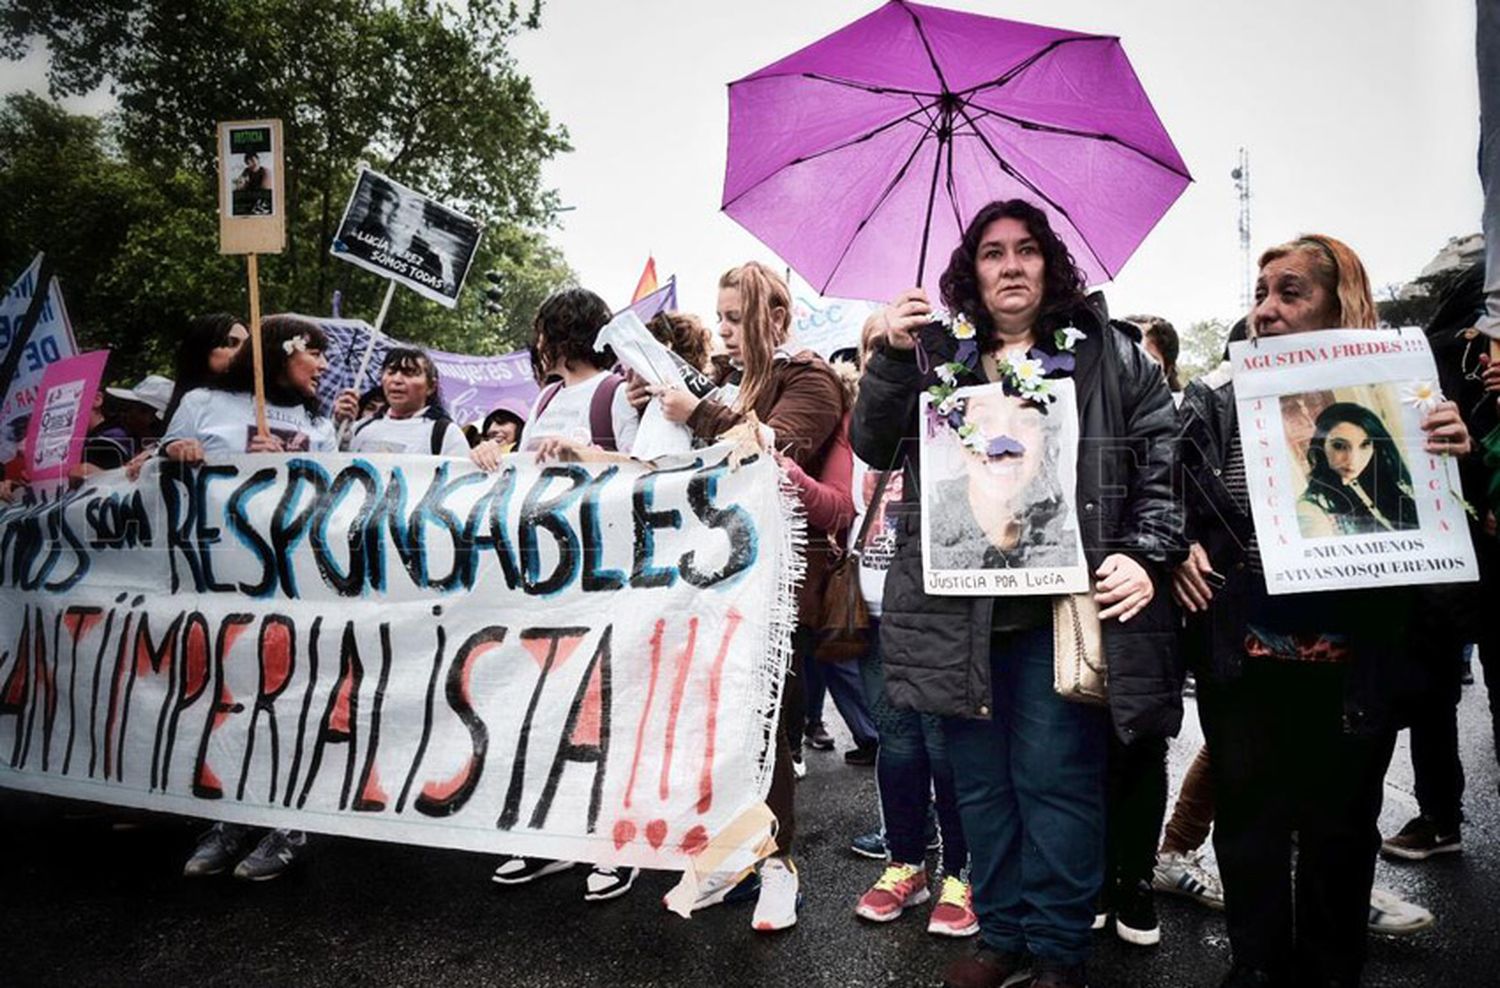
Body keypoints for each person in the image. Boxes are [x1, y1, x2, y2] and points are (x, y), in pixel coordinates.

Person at [853, 199, 1182, 988]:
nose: (1010, 265)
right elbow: (871, 442)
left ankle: (1060, 950)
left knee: (1056, 782)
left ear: (1050, 264)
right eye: (992, 252)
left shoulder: (1111, 355)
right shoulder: (937, 354)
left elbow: (1161, 459)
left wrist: (1146, 553)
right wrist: (896, 357)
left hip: (1058, 616)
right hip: (957, 616)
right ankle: (1001, 938)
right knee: (981, 789)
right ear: (972, 272)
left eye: (1026, 250)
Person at [1174, 234, 1471, 988]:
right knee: (1249, 833)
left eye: (1290, 292)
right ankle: (1255, 967)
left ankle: (1332, 971)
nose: (1266, 310)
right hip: (1244, 657)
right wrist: (1178, 546)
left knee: (1341, 833)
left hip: (1354, 664)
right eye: (1260, 292)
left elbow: (1444, 530)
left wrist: (1449, 453)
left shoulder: (1404, 400)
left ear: (1341, 303)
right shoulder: (1216, 398)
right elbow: (1167, 498)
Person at [644, 261, 846, 932]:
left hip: (777, 584)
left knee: (767, 729)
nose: (724, 332)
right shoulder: (739, 381)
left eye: (735, 319)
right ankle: (738, 857)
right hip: (722, 575)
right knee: (725, 728)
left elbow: (774, 453)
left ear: (776, 320)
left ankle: (782, 868)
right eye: (721, 318)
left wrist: (695, 412)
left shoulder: (809, 378)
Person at [166, 314, 337, 881]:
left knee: (286, 699)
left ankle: (288, 823)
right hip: (219, 580)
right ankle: (232, 818)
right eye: (313, 352)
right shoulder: (202, 403)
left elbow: (334, 493)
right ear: (280, 353)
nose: (322, 364)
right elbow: (153, 472)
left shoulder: (318, 420)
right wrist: (179, 452)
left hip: (294, 582)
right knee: (228, 698)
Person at [489, 287, 641, 902]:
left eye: (541, 329)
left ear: (560, 332)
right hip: (545, 579)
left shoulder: (614, 394)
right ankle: (550, 834)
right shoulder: (548, 396)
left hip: (604, 574)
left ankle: (615, 843)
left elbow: (646, 469)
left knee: (606, 710)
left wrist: (586, 454)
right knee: (547, 707)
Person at [839, 315, 976, 938]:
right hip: (874, 605)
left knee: (946, 749)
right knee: (896, 745)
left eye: (894, 348)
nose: (878, 360)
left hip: (933, 603)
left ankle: (962, 873)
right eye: (872, 349)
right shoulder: (867, 427)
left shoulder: (945, 408)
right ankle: (906, 863)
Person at [1294, 402, 1418, 537]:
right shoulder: (1311, 511)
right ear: (1321, 447)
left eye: (1365, 445)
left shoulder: (1395, 482)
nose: (1353, 460)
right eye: (1339, 446)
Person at [334, 347, 470, 458]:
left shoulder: (446, 434)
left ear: (431, 386)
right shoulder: (360, 428)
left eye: (409, 373)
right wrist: (339, 425)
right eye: (391, 372)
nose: (397, 380)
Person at [162, 313, 250, 426]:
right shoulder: (193, 402)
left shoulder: (258, 403)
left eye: (247, 345)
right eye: (231, 343)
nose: (243, 351)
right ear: (202, 348)